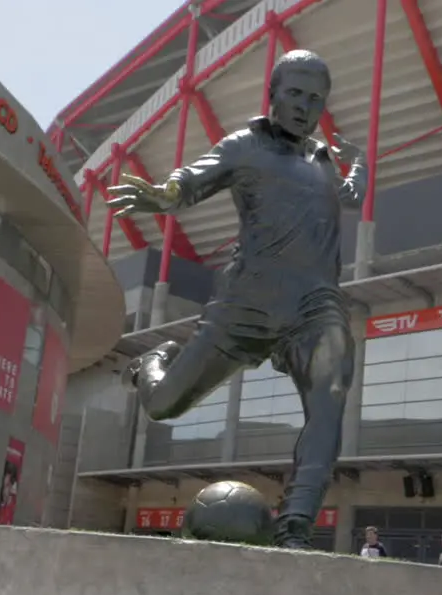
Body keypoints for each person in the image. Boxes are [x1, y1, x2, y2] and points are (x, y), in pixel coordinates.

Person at [106, 50, 366, 549]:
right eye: (295, 93)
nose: (304, 106)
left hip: (313, 306)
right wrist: (162, 195)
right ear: (273, 94)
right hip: (247, 303)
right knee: (163, 405)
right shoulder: (244, 146)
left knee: (330, 395)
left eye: (316, 99)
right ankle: (153, 363)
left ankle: (295, 527)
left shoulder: (321, 161)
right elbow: (191, 180)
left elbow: (350, 196)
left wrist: (363, 165)